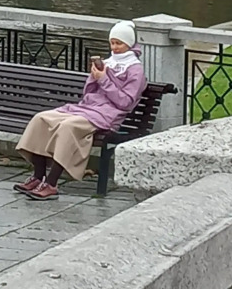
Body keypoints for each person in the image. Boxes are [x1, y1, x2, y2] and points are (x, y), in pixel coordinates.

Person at [13, 20, 147, 201]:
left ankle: (51, 184)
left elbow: (124, 103)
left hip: (106, 115)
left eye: (119, 43)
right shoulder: (107, 63)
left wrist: (104, 80)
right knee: (41, 119)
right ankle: (38, 176)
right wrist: (94, 76)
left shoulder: (135, 70)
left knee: (68, 127)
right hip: (86, 108)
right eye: (112, 43)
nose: (114, 47)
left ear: (129, 44)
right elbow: (88, 94)